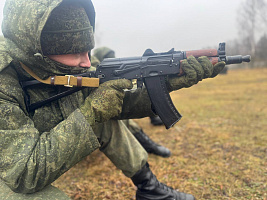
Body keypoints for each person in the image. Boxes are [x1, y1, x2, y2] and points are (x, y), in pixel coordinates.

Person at [0, 0, 225, 200]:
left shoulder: (59, 71)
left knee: (101, 115)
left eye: (88, 50)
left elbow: (119, 106)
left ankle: (149, 188)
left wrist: (167, 84)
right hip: (11, 170)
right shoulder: (4, 83)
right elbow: (23, 173)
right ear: (36, 50)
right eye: (76, 51)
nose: (87, 62)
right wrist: (90, 113)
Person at [93, 47, 171, 157]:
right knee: (119, 118)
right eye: (108, 57)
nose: (112, 59)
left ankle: (152, 124)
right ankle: (148, 146)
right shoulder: (94, 71)